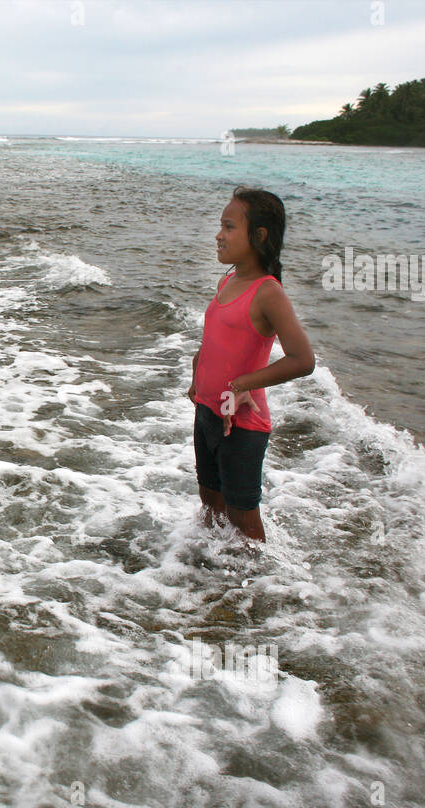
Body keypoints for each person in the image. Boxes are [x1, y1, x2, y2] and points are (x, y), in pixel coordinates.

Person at [186, 186, 315, 542]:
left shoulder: (268, 292)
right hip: (208, 413)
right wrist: (198, 373)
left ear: (258, 236)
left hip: (242, 427)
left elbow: (303, 360)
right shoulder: (227, 280)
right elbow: (216, 339)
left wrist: (243, 384)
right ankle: (204, 571)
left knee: (243, 517)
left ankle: (261, 587)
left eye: (229, 227)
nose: (219, 235)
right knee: (210, 501)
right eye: (220, 226)